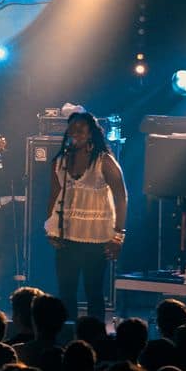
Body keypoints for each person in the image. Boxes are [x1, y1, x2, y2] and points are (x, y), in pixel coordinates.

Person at [43, 111, 127, 324]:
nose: (75, 132)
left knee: (93, 292)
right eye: (71, 128)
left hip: (96, 238)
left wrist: (118, 235)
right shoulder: (60, 161)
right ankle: (68, 337)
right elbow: (53, 195)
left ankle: (95, 341)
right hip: (66, 236)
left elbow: (121, 196)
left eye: (81, 128)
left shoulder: (103, 161)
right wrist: (50, 229)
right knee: (66, 292)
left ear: (91, 133)